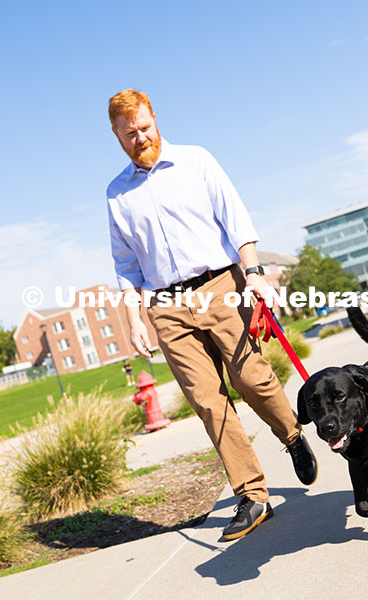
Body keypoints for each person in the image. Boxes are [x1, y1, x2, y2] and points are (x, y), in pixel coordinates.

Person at [105, 89, 317, 541]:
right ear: (117, 136)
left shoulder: (196, 161)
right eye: (130, 133)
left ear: (155, 119)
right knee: (206, 400)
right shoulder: (116, 195)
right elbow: (126, 267)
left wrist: (254, 273)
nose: (140, 137)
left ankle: (293, 436)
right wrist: (135, 319)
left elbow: (236, 219)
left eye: (145, 127)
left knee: (251, 378)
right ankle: (253, 495)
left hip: (220, 285)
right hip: (166, 306)